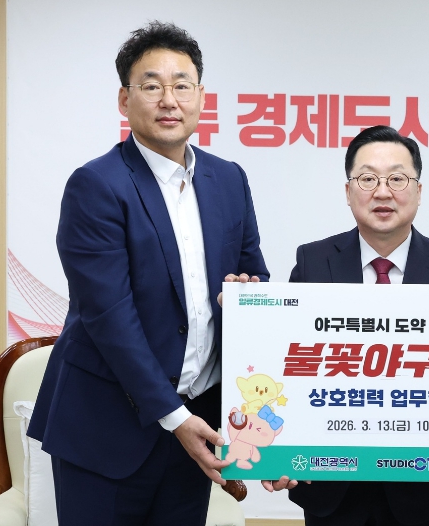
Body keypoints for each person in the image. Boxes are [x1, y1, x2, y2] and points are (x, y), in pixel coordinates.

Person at [28, 21, 269, 525]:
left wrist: (244, 298)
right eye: (152, 86)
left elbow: (254, 280)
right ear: (125, 99)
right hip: (106, 431)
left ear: (201, 96)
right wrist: (175, 418)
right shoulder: (97, 185)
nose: (169, 100)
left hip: (198, 423)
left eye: (182, 85)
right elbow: (109, 316)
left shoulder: (229, 179)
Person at [263, 125, 429, 526]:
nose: (383, 192)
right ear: (349, 191)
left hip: (420, 485)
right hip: (328, 482)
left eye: (397, 179)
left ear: (419, 190)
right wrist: (276, 452)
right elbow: (287, 365)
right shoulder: (314, 262)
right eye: (368, 179)